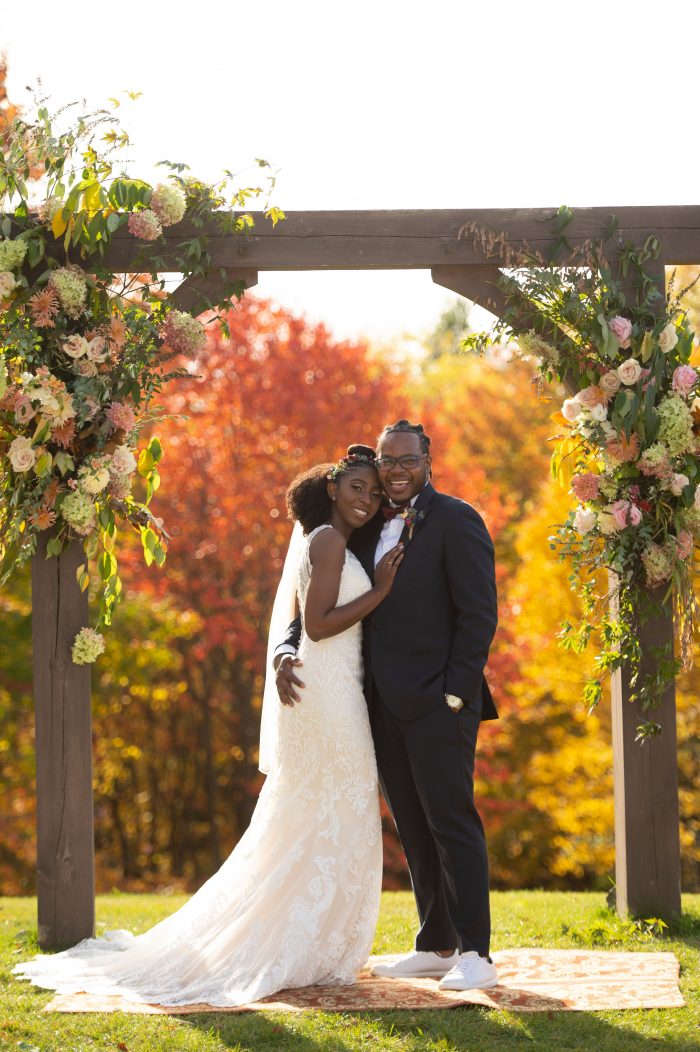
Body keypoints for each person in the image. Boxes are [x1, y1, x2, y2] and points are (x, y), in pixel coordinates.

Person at [13, 445, 404, 1008]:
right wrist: (381, 592)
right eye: (355, 489)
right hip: (325, 696)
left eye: (371, 491)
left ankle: (315, 941)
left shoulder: (331, 539)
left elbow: (301, 623)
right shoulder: (327, 539)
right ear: (332, 490)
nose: (365, 499)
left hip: (332, 688)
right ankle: (304, 942)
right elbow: (316, 625)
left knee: (322, 810)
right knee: (332, 804)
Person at [275, 420, 499, 991]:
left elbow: (479, 616)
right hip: (375, 702)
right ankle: (437, 943)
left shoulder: (457, 520)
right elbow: (311, 600)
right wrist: (283, 647)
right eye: (387, 461)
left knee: (452, 822)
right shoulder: (363, 523)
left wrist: (455, 693)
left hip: (439, 702)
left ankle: (477, 953)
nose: (396, 471)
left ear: (428, 459)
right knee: (414, 826)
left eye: (407, 460)